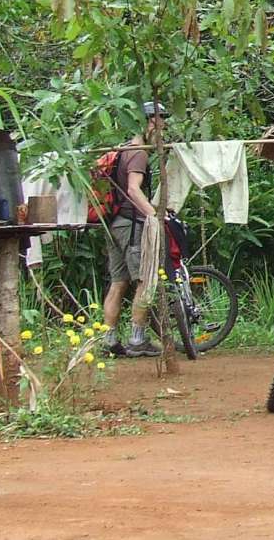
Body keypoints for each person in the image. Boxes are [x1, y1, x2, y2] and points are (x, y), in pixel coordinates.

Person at [102, 102, 168, 358]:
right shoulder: (139, 152)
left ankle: (109, 339)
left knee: (118, 282)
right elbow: (132, 188)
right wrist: (153, 216)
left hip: (114, 224)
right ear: (145, 122)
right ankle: (137, 338)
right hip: (131, 227)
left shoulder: (124, 150)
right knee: (144, 280)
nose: (161, 125)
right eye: (156, 120)